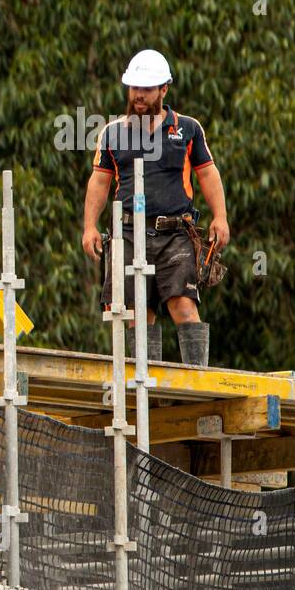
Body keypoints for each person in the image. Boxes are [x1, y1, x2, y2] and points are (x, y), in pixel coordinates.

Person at [81, 49, 229, 365]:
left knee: (183, 304)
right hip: (129, 234)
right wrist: (90, 226)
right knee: (136, 312)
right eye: (135, 88)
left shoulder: (187, 128)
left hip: (175, 231)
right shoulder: (113, 132)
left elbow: (207, 173)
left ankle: (197, 381)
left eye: (147, 89)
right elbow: (99, 182)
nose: (139, 96)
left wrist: (220, 217)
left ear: (164, 89)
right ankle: (144, 386)